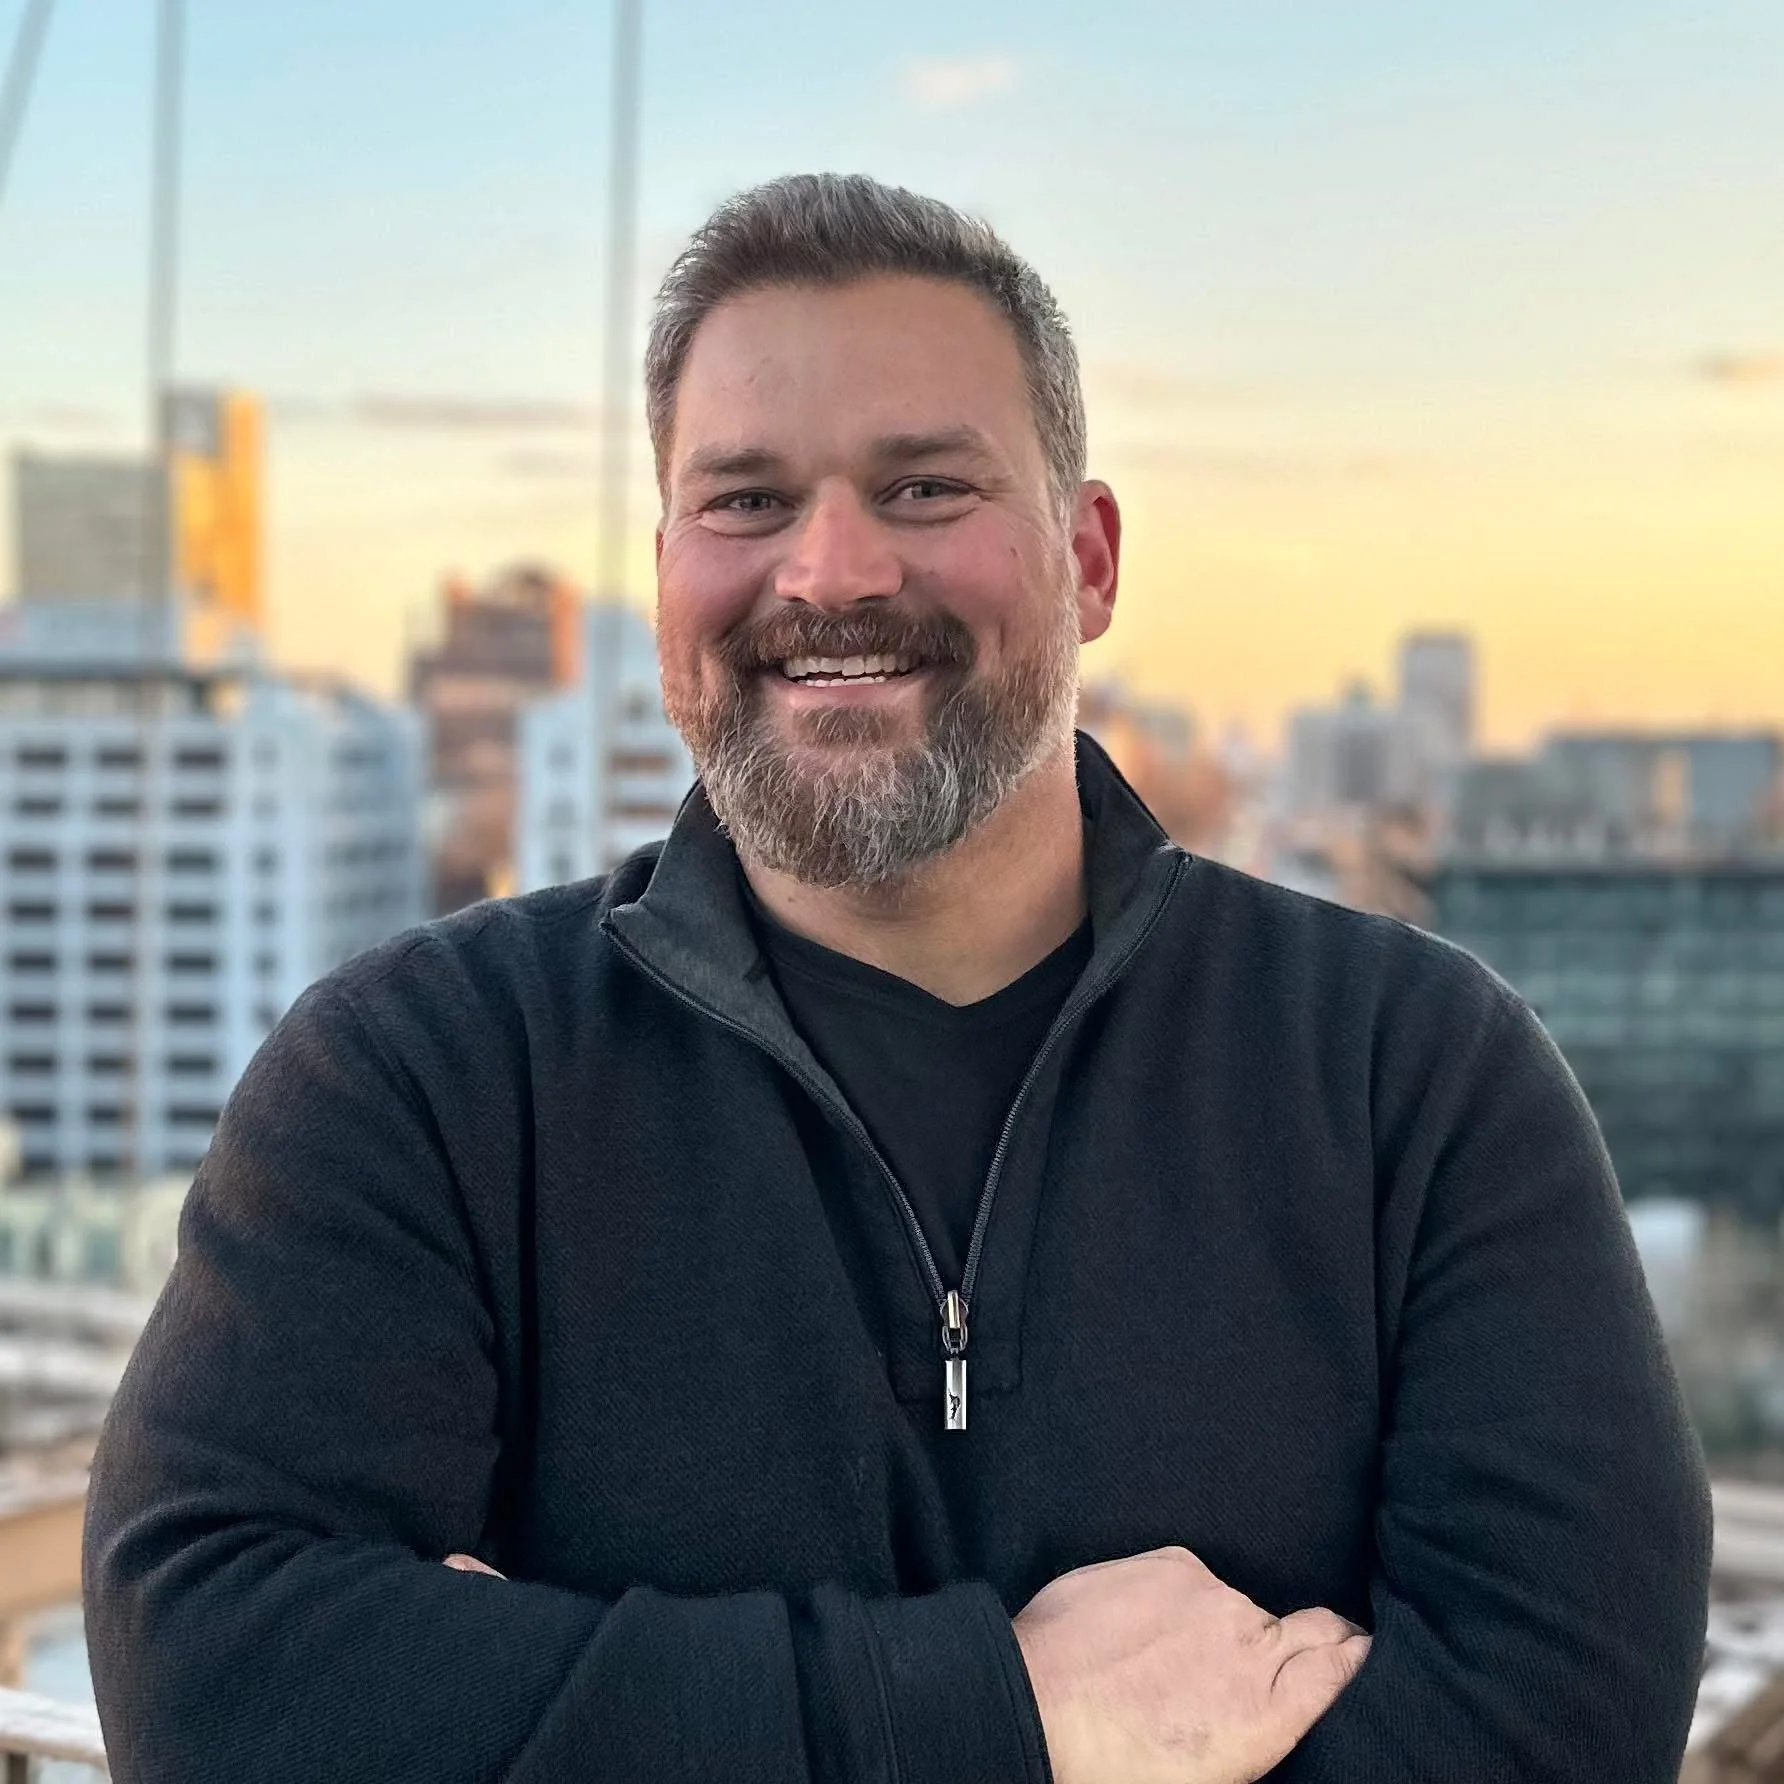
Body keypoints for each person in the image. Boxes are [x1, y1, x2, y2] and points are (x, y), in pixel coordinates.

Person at [84, 173, 1711, 1784]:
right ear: (664, 571)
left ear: (1088, 558)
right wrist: (1004, 1715)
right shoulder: (421, 1075)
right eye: (746, 501)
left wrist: (583, 1705)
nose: (831, 572)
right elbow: (224, 1684)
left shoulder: (1413, 1078)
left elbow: (1560, 1720)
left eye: (925, 487)